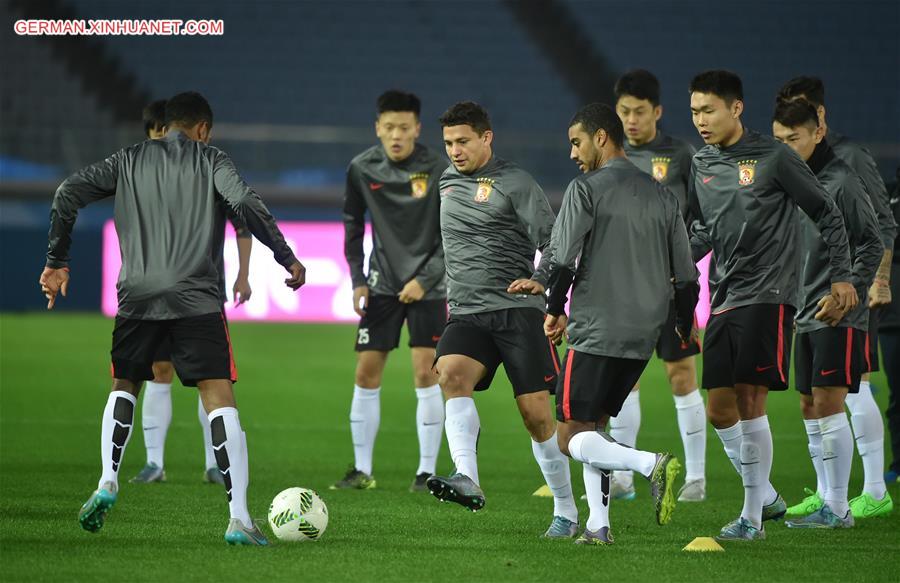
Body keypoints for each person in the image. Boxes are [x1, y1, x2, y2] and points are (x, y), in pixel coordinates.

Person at [40, 91, 306, 545]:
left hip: (136, 298)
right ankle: (239, 517)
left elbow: (68, 192)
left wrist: (56, 260)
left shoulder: (128, 159)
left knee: (124, 385)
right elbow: (245, 203)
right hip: (196, 298)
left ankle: (107, 479)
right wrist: (286, 257)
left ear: (165, 125)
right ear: (202, 129)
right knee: (218, 396)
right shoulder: (211, 158)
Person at [510, 103, 692, 544]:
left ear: (602, 138)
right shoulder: (662, 194)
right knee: (593, 427)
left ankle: (651, 464)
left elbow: (564, 254)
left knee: (569, 436)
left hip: (597, 327)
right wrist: (684, 323)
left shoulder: (585, 188)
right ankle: (597, 525)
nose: (573, 152)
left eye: (577, 141)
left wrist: (554, 309)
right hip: (644, 332)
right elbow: (686, 274)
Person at [686, 70, 856, 541]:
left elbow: (826, 211)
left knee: (749, 400)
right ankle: (765, 496)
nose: (701, 120)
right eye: (695, 111)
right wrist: (674, 267)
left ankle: (751, 519)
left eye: (709, 110)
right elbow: (705, 230)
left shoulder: (774, 157)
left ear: (736, 108)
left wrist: (842, 275)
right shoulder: (701, 161)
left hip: (768, 295)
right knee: (719, 409)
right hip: (722, 297)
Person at [425, 101, 578, 539]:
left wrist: (544, 287)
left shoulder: (515, 182)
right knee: (450, 374)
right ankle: (466, 477)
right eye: (449, 143)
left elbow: (554, 241)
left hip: (516, 311)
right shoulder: (447, 183)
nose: (454, 151)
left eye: (463, 141)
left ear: (486, 137)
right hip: (468, 312)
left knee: (535, 415)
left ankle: (566, 512)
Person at [778, 77, 896, 518]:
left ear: (819, 118)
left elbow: (881, 224)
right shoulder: (788, 167)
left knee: (853, 389)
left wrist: (875, 281)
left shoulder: (849, 161)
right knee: (817, 399)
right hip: (808, 301)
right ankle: (831, 494)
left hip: (850, 295)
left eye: (802, 118)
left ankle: (870, 493)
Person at [130, 99, 253, 487]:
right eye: (156, 136)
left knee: (212, 380)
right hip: (152, 296)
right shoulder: (143, 175)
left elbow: (243, 222)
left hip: (201, 294)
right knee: (157, 371)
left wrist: (243, 275)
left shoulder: (207, 171)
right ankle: (154, 462)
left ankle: (215, 463)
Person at [334, 90, 448, 493]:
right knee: (366, 373)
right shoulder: (362, 168)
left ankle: (426, 472)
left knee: (426, 373)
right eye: (389, 128)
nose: (396, 135)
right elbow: (352, 222)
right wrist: (357, 278)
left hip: (430, 287)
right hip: (382, 283)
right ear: (377, 129)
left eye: (404, 127)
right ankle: (361, 470)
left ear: (417, 128)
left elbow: (452, 232)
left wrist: (428, 278)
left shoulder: (439, 167)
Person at [611, 69, 706, 502]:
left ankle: (697, 479)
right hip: (624, 288)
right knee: (623, 379)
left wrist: (683, 265)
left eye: (639, 112)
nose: (631, 120)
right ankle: (624, 475)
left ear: (658, 112)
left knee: (681, 375)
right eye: (624, 111)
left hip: (671, 287)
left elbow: (704, 219)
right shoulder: (609, 154)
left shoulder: (683, 155)